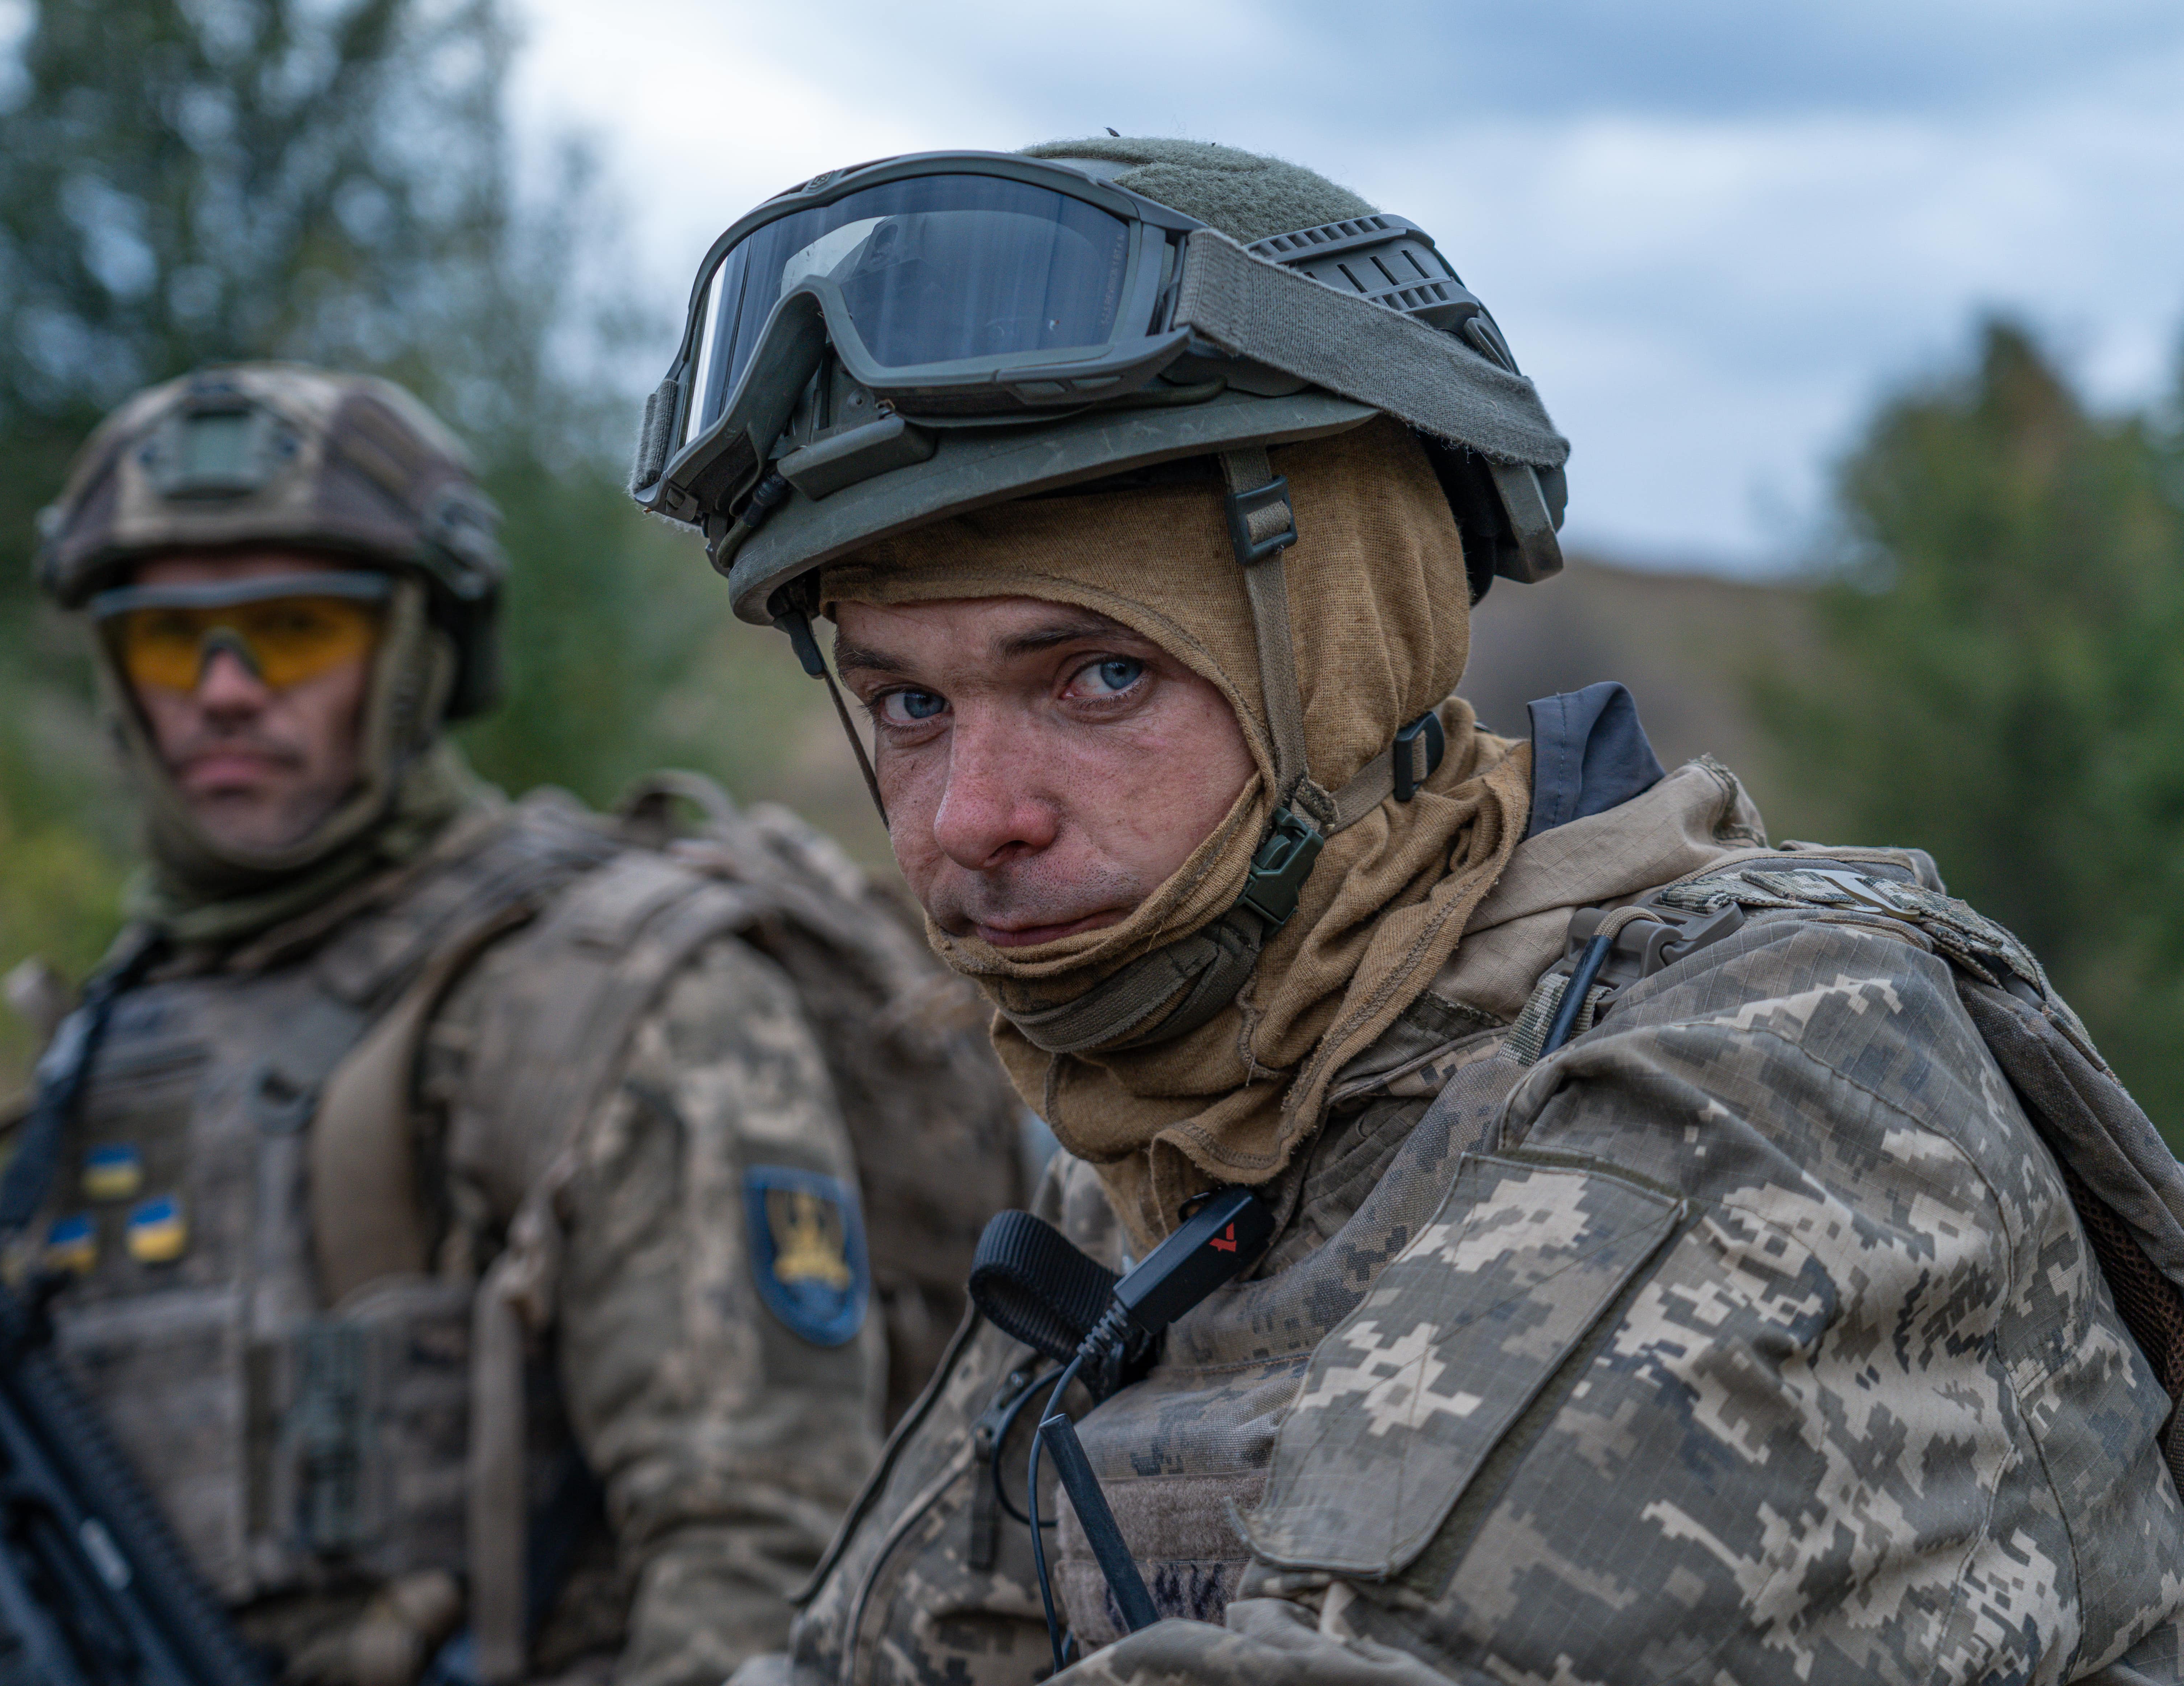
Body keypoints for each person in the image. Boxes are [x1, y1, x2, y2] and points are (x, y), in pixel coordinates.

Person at [633, 140, 2184, 1684]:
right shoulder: (1174, 1155)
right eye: (908, 705)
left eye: (1100, 675)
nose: (971, 818)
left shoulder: (1784, 1075)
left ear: (1345, 658)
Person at [2, 363, 1021, 1686]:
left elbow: (755, 1555)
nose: (226, 689)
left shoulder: (604, 989)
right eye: (166, 642)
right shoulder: (117, 1027)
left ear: (421, 654)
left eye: (294, 633)